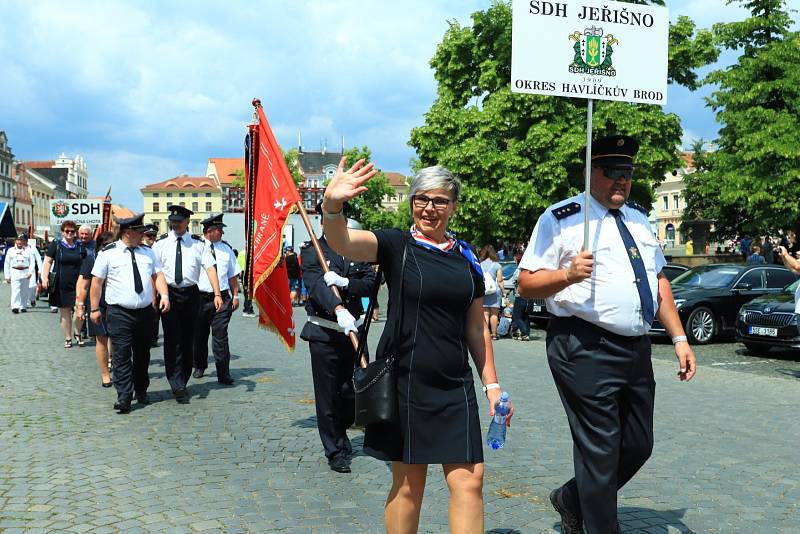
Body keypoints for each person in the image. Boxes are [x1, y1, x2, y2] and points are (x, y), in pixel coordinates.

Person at [517, 135, 697, 534]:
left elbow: (658, 280)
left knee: (638, 444)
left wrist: (680, 338)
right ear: (590, 173)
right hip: (584, 344)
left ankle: (572, 497)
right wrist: (566, 275)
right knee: (600, 450)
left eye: (627, 173)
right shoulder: (562, 218)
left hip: (635, 346)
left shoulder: (637, 218)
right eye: (612, 172)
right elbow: (526, 284)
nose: (621, 181)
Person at [322, 160, 512, 534]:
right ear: (411, 203)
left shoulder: (467, 257)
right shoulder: (396, 245)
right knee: (409, 485)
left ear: (454, 206)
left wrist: (491, 385)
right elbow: (341, 241)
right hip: (407, 382)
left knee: (470, 482)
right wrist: (332, 206)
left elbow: (476, 328)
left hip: (454, 385)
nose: (430, 208)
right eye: (421, 199)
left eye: (440, 201)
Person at [299, 203, 377, 474]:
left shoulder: (355, 251)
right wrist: (337, 307)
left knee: (352, 390)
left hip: (353, 332)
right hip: (325, 333)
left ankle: (344, 429)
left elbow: (370, 282)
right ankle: (336, 449)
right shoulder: (312, 252)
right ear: (322, 223)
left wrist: (347, 284)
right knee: (328, 395)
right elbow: (315, 285)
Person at [90, 214, 170, 413]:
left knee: (143, 353)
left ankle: (141, 389)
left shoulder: (148, 252)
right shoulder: (108, 253)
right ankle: (124, 396)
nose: (143, 235)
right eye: (139, 232)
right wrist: (93, 308)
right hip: (119, 312)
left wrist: (165, 295)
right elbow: (96, 282)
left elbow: (158, 275)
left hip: (144, 312)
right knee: (122, 354)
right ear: (127, 233)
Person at [151, 205, 222, 403]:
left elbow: (210, 269)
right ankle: (176, 383)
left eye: (179, 221)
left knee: (189, 339)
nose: (175, 224)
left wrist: (217, 293)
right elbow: (154, 272)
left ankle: (184, 377)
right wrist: (155, 297)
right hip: (169, 294)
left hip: (192, 294)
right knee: (172, 340)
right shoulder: (161, 244)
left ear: (187, 222)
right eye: (172, 221)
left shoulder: (199, 244)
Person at [193, 213, 241, 384]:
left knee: (220, 336)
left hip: (222, 298)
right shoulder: (196, 247)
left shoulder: (226, 249)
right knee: (199, 335)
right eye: (219, 230)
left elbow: (232, 275)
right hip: (200, 298)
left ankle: (223, 372)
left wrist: (235, 295)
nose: (222, 233)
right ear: (209, 231)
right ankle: (199, 365)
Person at [75, 231, 115, 387]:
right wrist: (80, 307)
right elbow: (84, 286)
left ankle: (117, 366)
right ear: (99, 246)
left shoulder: (119, 258)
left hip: (117, 304)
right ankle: (105, 373)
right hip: (97, 304)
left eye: (112, 244)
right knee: (101, 338)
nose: (109, 248)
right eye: (106, 245)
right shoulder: (92, 259)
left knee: (118, 339)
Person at [42, 220, 87, 348]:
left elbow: (84, 263)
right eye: (67, 231)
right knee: (65, 311)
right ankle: (68, 337)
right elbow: (47, 262)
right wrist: (45, 277)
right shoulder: (56, 245)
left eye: (72, 231)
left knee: (80, 308)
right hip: (61, 283)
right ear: (62, 232)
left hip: (78, 283)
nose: (69, 234)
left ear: (75, 233)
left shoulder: (79, 246)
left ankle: (77, 332)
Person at [4, 234, 35, 313]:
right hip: (15, 271)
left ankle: (23, 306)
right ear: (15, 241)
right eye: (18, 240)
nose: (20, 242)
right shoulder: (11, 250)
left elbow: (32, 262)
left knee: (24, 290)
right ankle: (15, 306)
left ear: (24, 241)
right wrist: (7, 276)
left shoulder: (29, 250)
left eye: (21, 240)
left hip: (25, 271)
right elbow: (7, 263)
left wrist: (30, 272)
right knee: (15, 290)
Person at [479, 244, 504, 340]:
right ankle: (494, 334)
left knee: (485, 313)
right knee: (494, 313)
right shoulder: (497, 265)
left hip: (484, 290)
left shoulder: (480, 264)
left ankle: (485, 333)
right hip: (494, 291)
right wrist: (504, 292)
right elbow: (500, 280)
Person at [236, 247, 256, 317]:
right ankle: (247, 310)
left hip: (242, 273)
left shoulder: (241, 252)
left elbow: (237, 263)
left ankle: (248, 308)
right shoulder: (250, 254)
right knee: (248, 292)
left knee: (246, 292)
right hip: (247, 273)